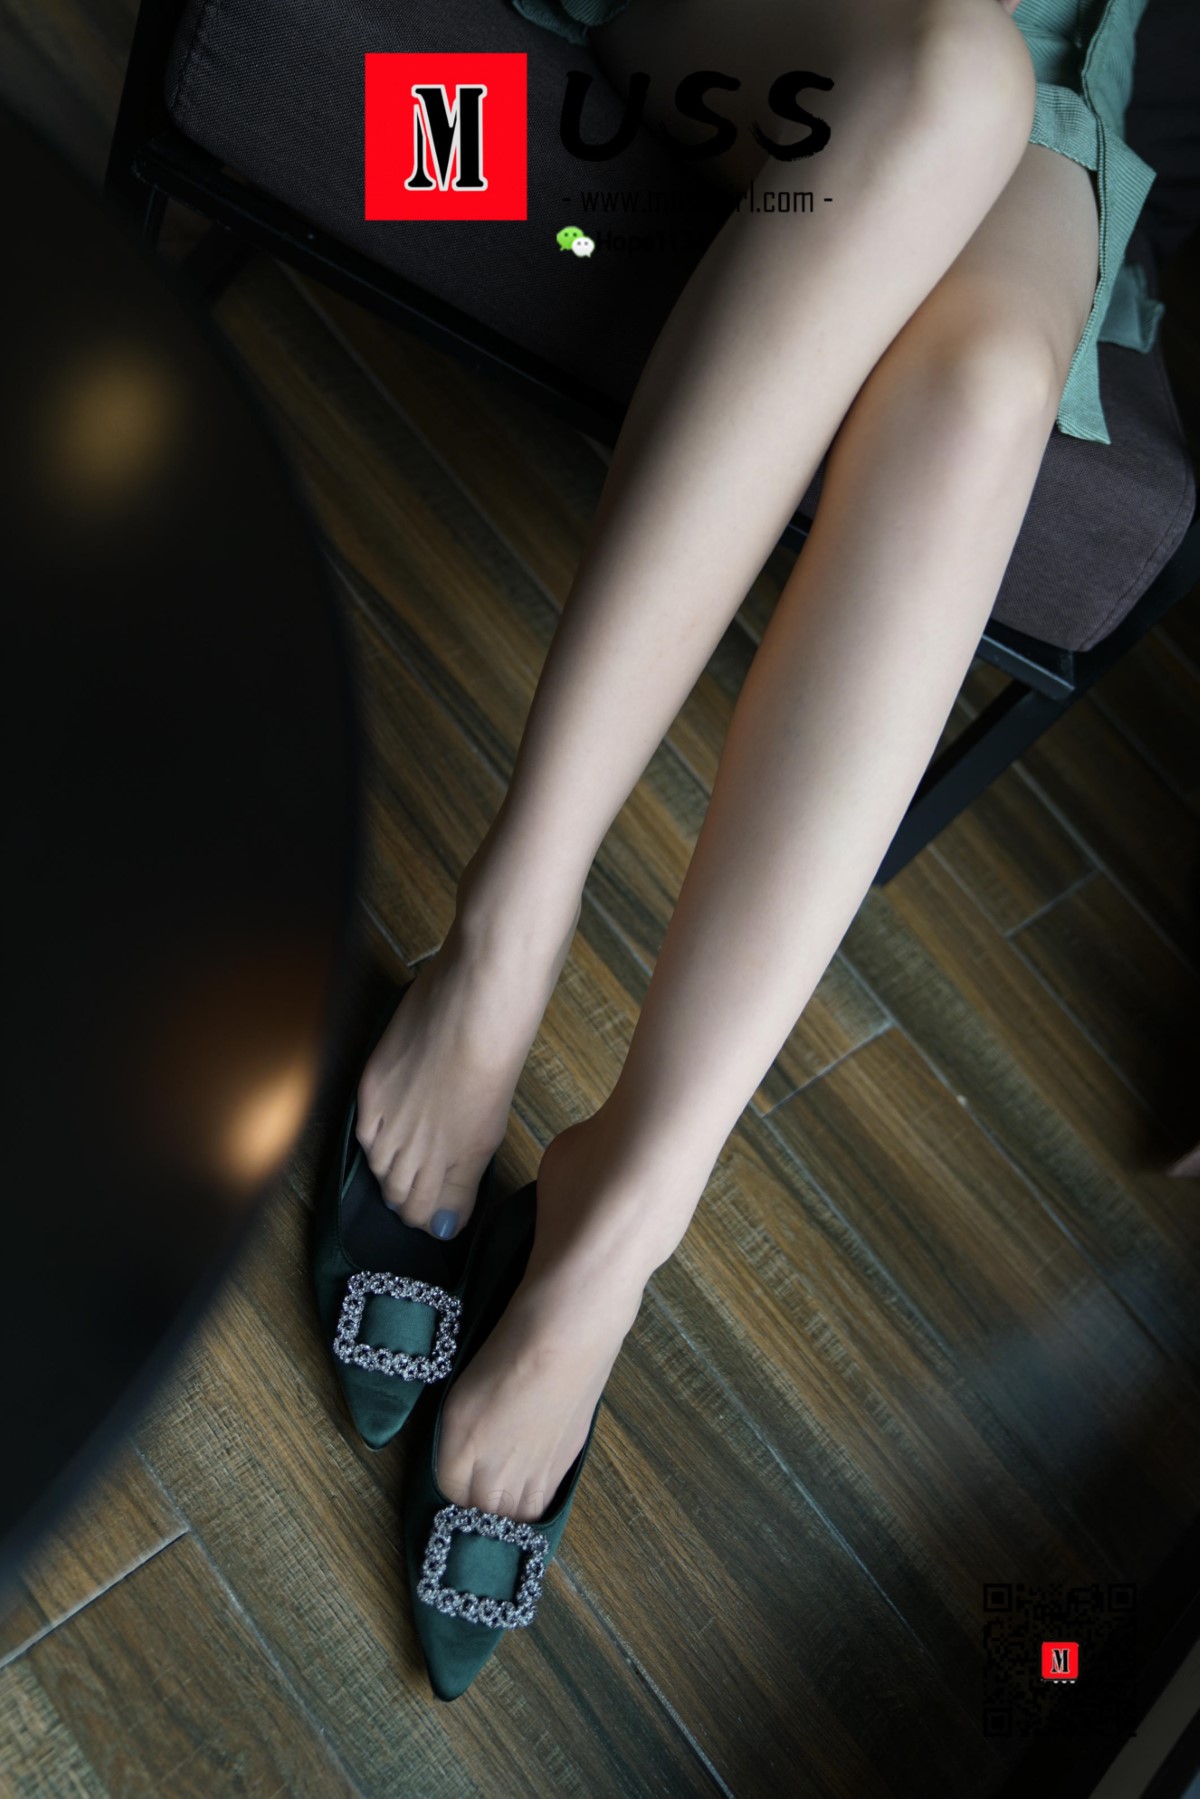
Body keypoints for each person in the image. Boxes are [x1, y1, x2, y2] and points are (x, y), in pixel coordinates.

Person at [353, 0, 1161, 1526]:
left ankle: (630, 1207)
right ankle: (503, 943)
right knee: (948, 79)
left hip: (1059, 56)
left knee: (989, 385)